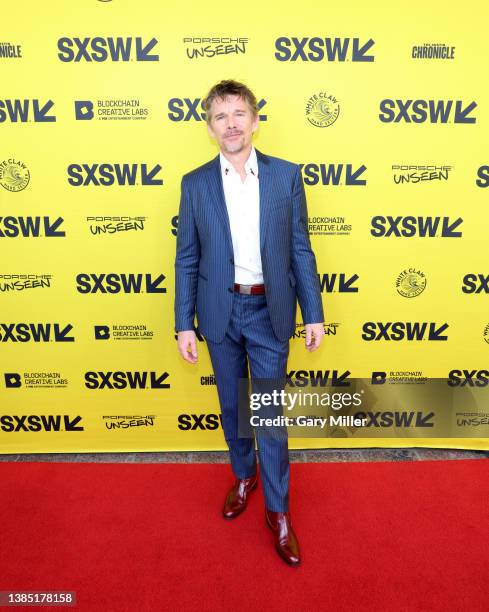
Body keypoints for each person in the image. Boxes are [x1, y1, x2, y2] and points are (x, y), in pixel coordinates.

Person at [174, 79, 324, 566]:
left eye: (239, 113)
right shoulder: (195, 183)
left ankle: (278, 512)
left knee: (268, 416)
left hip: (269, 312)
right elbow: (187, 257)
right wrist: (184, 322)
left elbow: (301, 248)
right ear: (209, 127)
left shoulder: (285, 177)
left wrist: (314, 314)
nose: (231, 124)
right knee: (233, 409)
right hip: (219, 313)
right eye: (220, 116)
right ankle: (244, 475)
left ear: (255, 120)